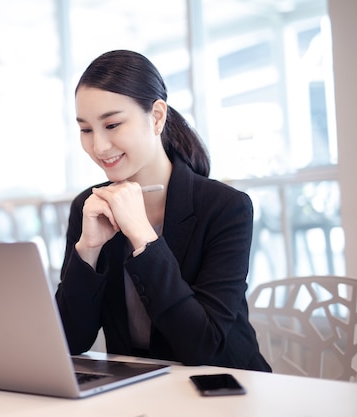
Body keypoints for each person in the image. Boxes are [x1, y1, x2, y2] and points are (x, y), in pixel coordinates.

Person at [55, 50, 271, 372]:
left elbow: (204, 346)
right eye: (86, 130)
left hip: (226, 387)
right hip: (141, 388)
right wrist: (88, 251)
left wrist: (143, 237)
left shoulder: (226, 207)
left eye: (112, 124)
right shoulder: (89, 207)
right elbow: (69, 341)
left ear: (156, 117)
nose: (98, 146)